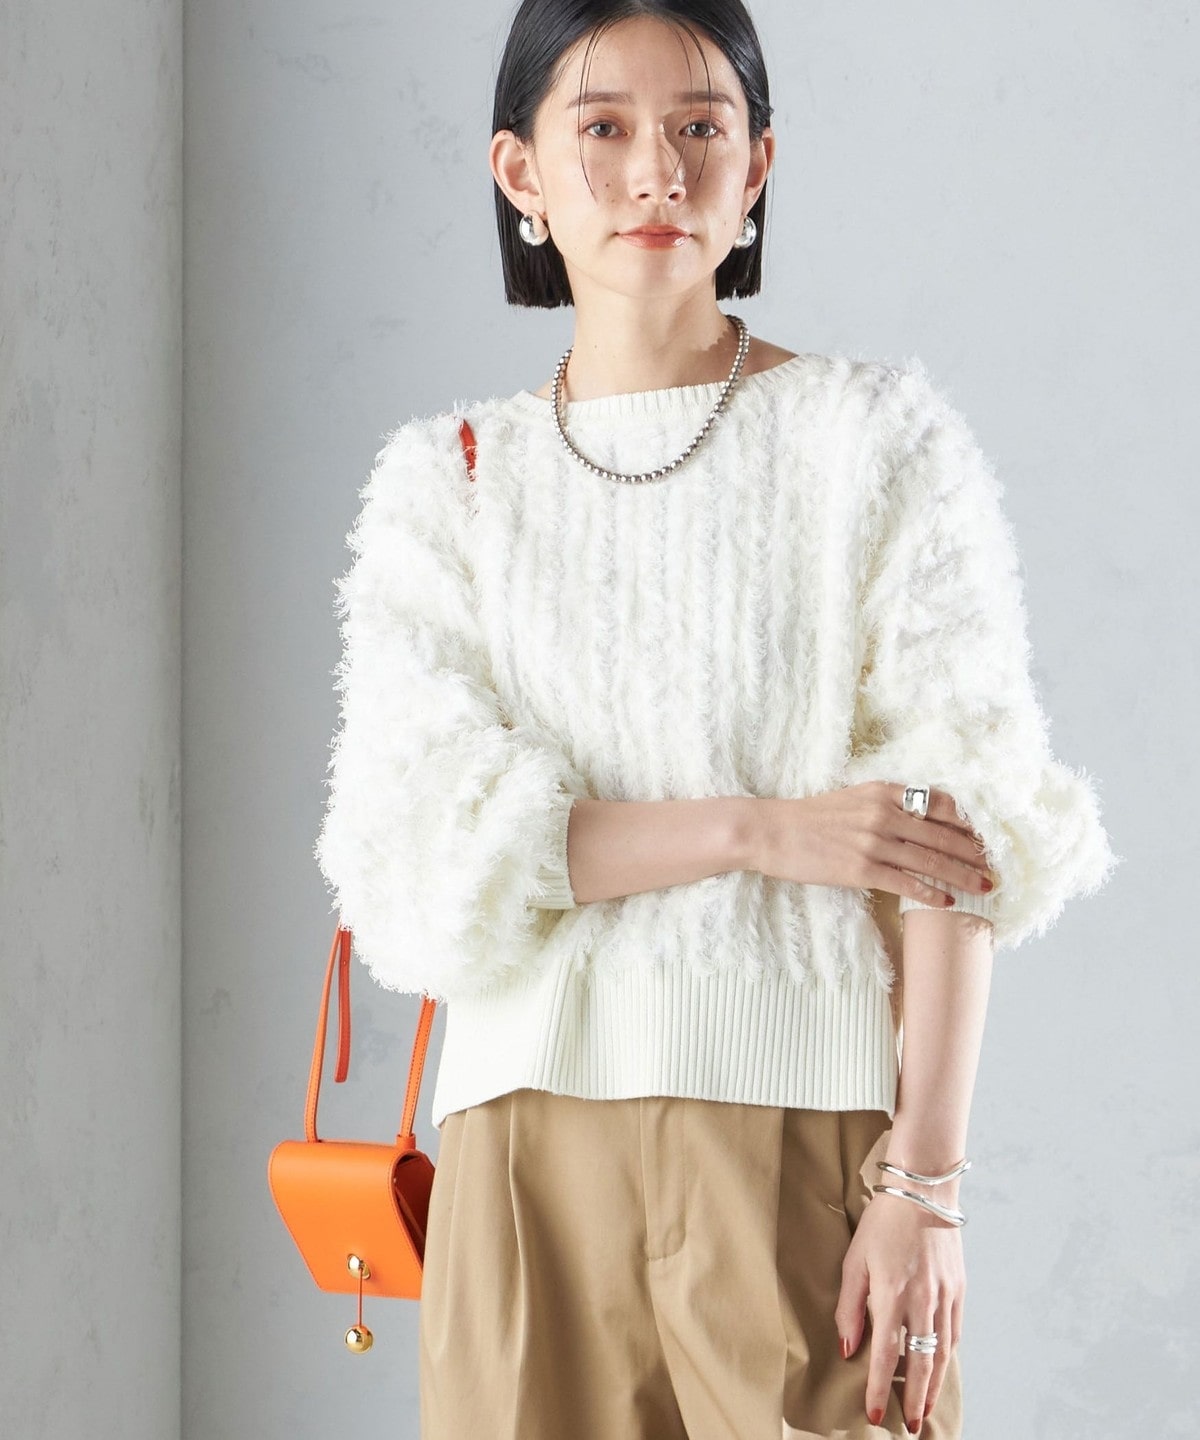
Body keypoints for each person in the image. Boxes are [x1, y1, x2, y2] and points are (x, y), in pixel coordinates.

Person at [313, 2, 1120, 1436]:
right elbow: (425, 847)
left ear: (759, 165)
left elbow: (963, 818)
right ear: (519, 171)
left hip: (805, 1143)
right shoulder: (450, 480)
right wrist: (762, 830)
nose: (658, 172)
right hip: (520, 1154)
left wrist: (927, 1180)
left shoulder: (872, 439)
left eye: (702, 126)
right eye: (604, 128)